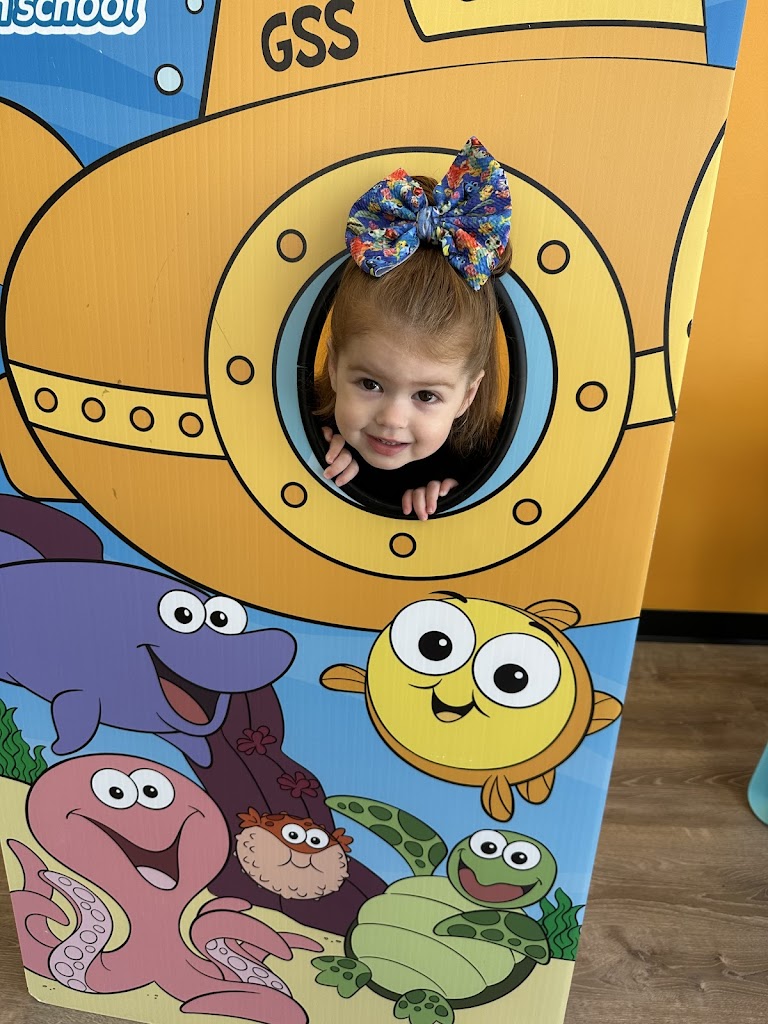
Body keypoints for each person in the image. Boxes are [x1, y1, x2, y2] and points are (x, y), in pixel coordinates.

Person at [314, 137, 512, 520]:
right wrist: (320, 458)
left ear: (468, 395)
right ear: (334, 366)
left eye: (425, 395)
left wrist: (456, 497)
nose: (392, 419)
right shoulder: (310, 426)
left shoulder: (477, 462)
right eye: (370, 384)